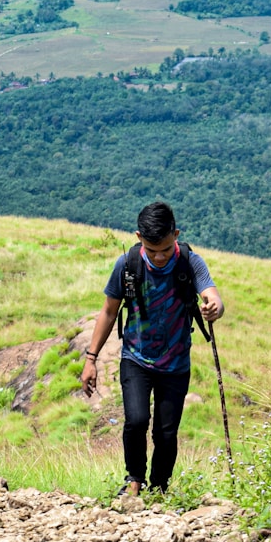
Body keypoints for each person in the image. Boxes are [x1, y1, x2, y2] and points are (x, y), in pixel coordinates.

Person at [81, 201, 224, 496]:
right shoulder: (127, 265)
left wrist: (214, 308)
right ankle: (134, 480)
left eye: (166, 249)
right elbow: (108, 312)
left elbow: (211, 294)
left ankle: (159, 489)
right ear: (138, 237)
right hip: (135, 357)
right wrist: (91, 359)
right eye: (152, 249)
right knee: (136, 421)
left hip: (176, 363)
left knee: (165, 432)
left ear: (176, 234)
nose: (159, 257)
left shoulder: (190, 262)